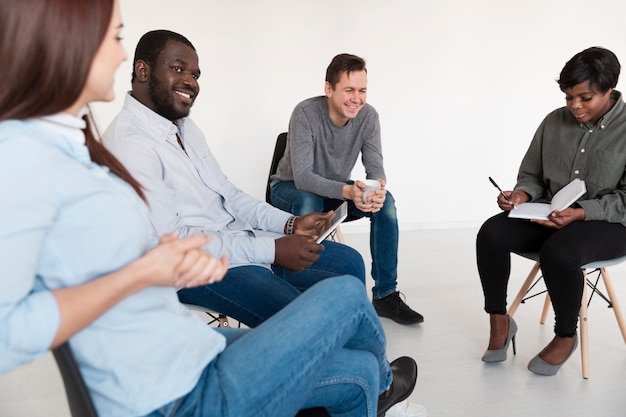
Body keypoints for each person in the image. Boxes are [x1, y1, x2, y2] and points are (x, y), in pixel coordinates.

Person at [0, 1, 428, 417]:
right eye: (114, 37)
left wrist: (289, 225)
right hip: (174, 386)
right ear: (66, 42)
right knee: (347, 297)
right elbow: (14, 330)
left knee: (355, 356)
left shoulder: (87, 140)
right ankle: (374, 387)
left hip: (185, 344)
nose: (120, 54)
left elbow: (223, 194)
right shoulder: (61, 153)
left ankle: (367, 391)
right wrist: (144, 271)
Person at [102, 32, 366, 328]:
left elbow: (228, 192)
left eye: (195, 74)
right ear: (143, 70)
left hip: (237, 241)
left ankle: (364, 367)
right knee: (301, 315)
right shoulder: (129, 144)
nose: (191, 82)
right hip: (187, 267)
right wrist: (273, 250)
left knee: (348, 263)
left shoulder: (185, 128)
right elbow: (172, 243)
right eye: (178, 69)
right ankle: (365, 371)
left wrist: (290, 225)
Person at [476, 46, 626, 376]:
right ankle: (500, 321)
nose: (574, 106)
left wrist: (583, 212)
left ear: (610, 88)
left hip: (610, 223)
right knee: (491, 233)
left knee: (559, 252)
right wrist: (519, 194)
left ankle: (565, 336)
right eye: (569, 96)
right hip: (551, 213)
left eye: (585, 98)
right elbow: (531, 173)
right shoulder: (553, 122)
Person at [269, 53, 423, 325]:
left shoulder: (368, 116)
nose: (357, 98)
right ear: (329, 89)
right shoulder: (305, 113)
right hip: (289, 188)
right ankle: (307, 295)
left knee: (386, 204)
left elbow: (375, 167)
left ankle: (385, 295)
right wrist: (349, 192)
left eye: (362, 90)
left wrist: (376, 189)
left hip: (335, 191)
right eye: (348, 90)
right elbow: (304, 178)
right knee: (308, 201)